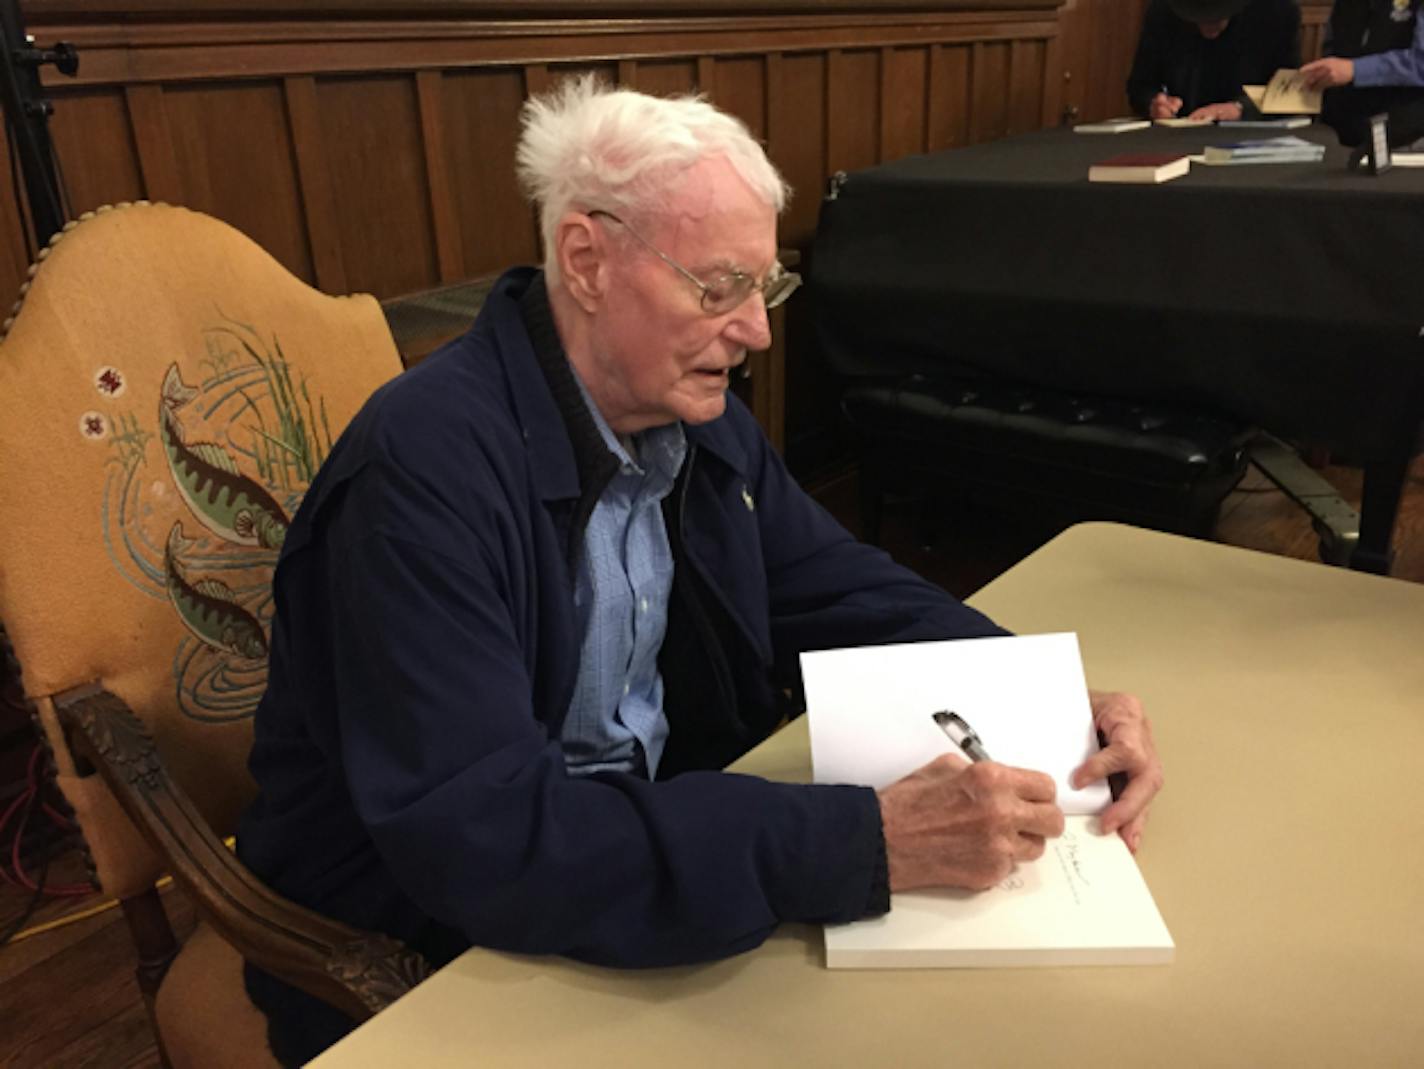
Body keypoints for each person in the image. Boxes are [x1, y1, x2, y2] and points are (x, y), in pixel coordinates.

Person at [236, 77, 1164, 1065]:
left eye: (762, 287)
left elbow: (840, 586)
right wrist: (858, 842)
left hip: (637, 861)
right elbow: (487, 838)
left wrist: (1043, 698)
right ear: (584, 259)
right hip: (427, 941)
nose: (757, 331)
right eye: (716, 288)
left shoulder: (681, 408)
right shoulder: (421, 473)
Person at [1127, 0, 1302, 120]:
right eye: (1197, 18)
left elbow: (1291, 91)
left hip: (1255, 131)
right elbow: (1140, 85)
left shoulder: (1278, 10)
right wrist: (1154, 103)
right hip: (1181, 131)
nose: (1207, 26)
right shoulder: (1164, 10)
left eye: (1216, 17)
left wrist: (1240, 109)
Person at [1300, 0, 1424, 145]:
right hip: (1335, 127)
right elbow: (1333, 45)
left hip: (1403, 132)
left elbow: (1420, 63)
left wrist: (1355, 69)